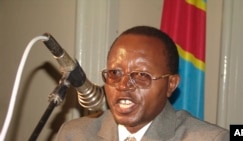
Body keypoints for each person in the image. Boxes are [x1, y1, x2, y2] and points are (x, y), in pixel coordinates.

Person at [56, 26, 229, 141]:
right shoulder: (74, 134)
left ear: (171, 84)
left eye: (141, 75)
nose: (123, 85)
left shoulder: (210, 138)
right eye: (115, 73)